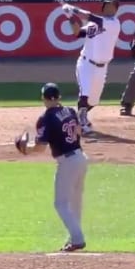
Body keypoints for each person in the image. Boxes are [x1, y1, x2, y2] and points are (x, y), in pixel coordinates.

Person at [14, 83, 89, 253]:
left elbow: (41, 148)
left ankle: (77, 239)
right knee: (75, 202)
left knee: (61, 204)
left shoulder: (46, 118)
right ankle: (73, 238)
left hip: (67, 162)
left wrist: (26, 150)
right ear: (59, 97)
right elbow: (78, 131)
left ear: (43, 98)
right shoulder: (70, 111)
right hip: (81, 158)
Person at [61, 0, 122, 135]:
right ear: (103, 7)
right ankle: (82, 124)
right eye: (107, 5)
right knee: (85, 93)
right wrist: (70, 16)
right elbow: (77, 33)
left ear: (116, 9)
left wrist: (73, 9)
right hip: (86, 64)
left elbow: (89, 16)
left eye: (112, 6)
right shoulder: (93, 25)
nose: (109, 8)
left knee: (94, 101)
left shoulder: (114, 23)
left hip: (102, 67)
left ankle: (74, 118)